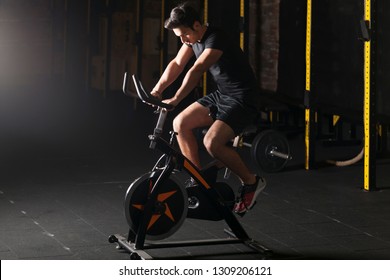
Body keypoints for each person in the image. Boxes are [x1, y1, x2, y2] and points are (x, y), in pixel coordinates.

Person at [150, 2, 266, 214]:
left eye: (184, 34)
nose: (183, 40)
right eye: (179, 37)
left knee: (212, 142)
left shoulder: (216, 38)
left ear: (196, 25)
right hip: (222, 95)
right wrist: (157, 91)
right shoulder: (192, 39)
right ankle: (199, 182)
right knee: (180, 123)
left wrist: (175, 98)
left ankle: (251, 182)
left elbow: (197, 69)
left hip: (243, 98)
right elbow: (177, 64)